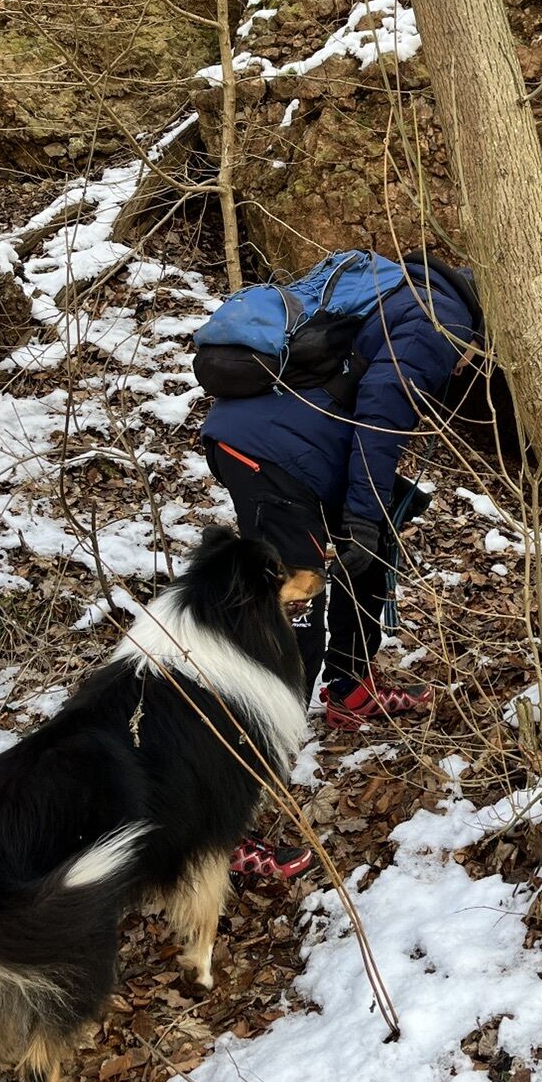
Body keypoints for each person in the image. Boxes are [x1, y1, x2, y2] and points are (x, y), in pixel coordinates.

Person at [201, 252, 478, 774]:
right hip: (267, 454)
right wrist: (363, 515)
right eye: (474, 357)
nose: (466, 366)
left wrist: (370, 517)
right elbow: (380, 415)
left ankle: (351, 688)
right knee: (298, 596)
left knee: (369, 552)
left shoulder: (400, 291)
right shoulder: (441, 320)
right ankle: (256, 762)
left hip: (290, 443)